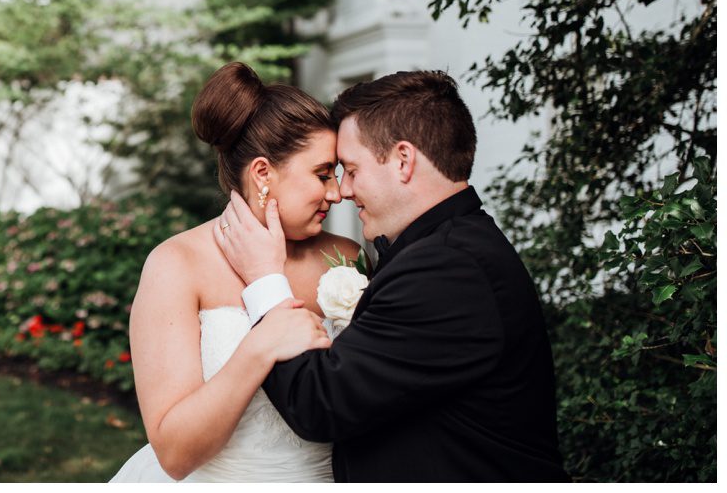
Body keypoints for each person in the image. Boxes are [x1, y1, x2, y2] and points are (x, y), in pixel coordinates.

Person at [216, 70, 570, 481]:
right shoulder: (446, 248)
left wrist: (263, 280)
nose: (343, 190)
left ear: (403, 160)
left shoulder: (448, 268)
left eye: (350, 168)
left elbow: (321, 404)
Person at [110, 62, 360, 482]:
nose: (337, 194)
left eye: (336, 175)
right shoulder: (177, 265)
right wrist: (259, 347)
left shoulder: (348, 258)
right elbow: (174, 453)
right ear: (263, 173)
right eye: (322, 175)